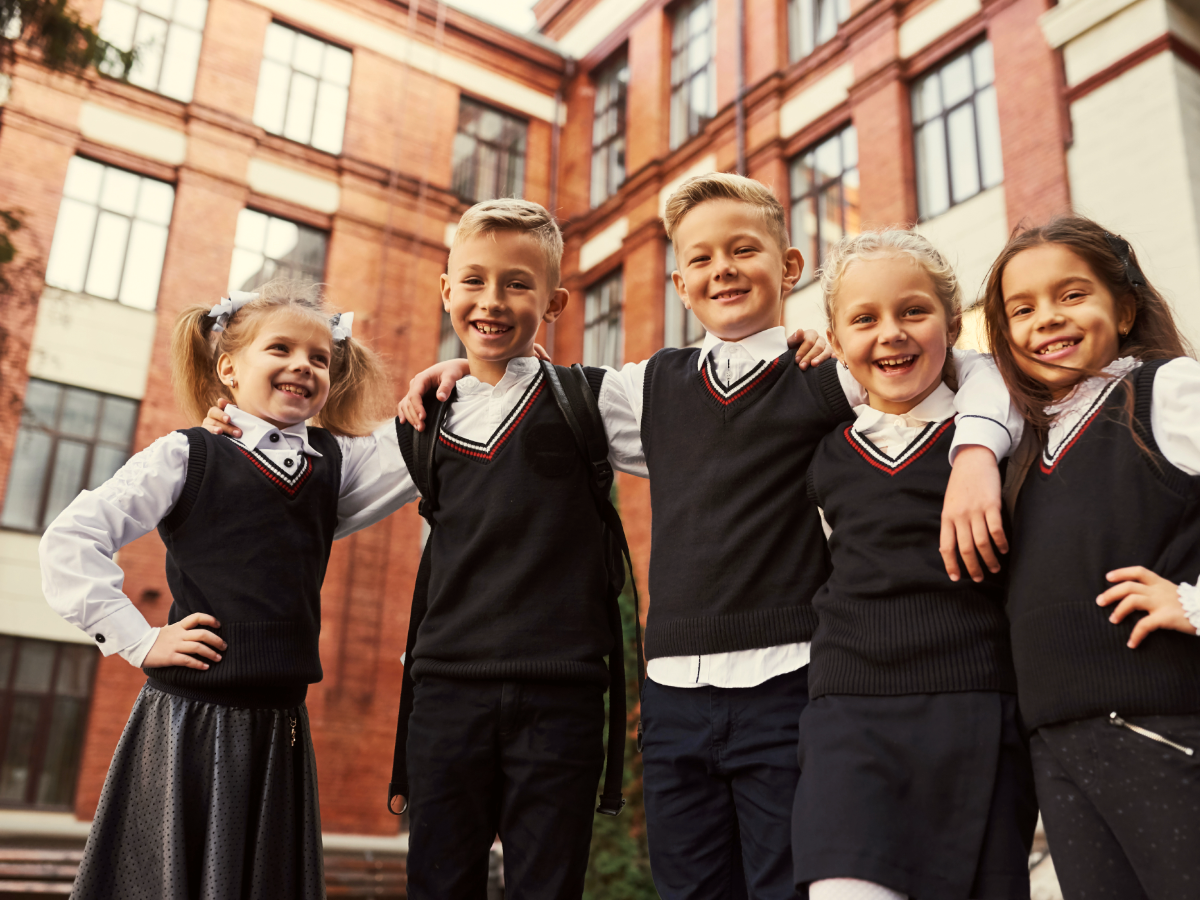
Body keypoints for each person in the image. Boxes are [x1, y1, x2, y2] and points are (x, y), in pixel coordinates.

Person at [400, 173, 1022, 900]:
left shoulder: (829, 375)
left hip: (789, 685)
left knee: (784, 885)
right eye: (699, 259)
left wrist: (976, 450)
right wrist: (465, 370)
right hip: (674, 701)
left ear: (789, 267)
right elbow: (532, 388)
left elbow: (974, 367)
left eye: (743, 249)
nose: (721, 268)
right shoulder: (646, 388)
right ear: (679, 285)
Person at [39, 281, 404, 899]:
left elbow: (418, 442)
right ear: (229, 368)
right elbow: (70, 538)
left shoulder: (334, 464)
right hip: (189, 726)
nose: (302, 366)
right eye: (281, 348)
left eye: (319, 358)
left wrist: (459, 374)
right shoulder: (189, 453)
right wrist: (139, 639)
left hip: (279, 729)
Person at [792, 230, 1037, 900]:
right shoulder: (822, 454)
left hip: (976, 706)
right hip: (848, 710)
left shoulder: (1002, 437)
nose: (891, 334)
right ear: (836, 343)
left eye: (913, 312)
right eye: (864, 319)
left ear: (953, 326)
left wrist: (979, 450)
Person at [980, 215, 1200, 900]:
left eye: (1071, 295)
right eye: (1023, 308)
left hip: (1161, 729)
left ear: (1124, 308)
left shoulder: (1165, 388)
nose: (1047, 319)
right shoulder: (1021, 444)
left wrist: (1191, 601)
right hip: (1056, 744)